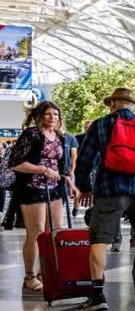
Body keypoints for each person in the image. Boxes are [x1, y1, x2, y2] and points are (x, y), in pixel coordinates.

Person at [75, 88, 135, 311]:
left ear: (112, 103)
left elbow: (85, 159)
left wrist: (84, 187)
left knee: (99, 240)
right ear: (134, 105)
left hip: (109, 190)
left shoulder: (100, 125)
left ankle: (97, 295)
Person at [8, 102, 72, 292]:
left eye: (55, 114)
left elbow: (61, 165)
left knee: (53, 232)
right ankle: (30, 276)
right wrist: (43, 170)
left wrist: (68, 181)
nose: (52, 117)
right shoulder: (31, 134)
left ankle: (47, 272)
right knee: (35, 233)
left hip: (54, 189)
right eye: (48, 114)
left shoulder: (60, 136)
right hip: (32, 188)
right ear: (39, 116)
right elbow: (16, 163)